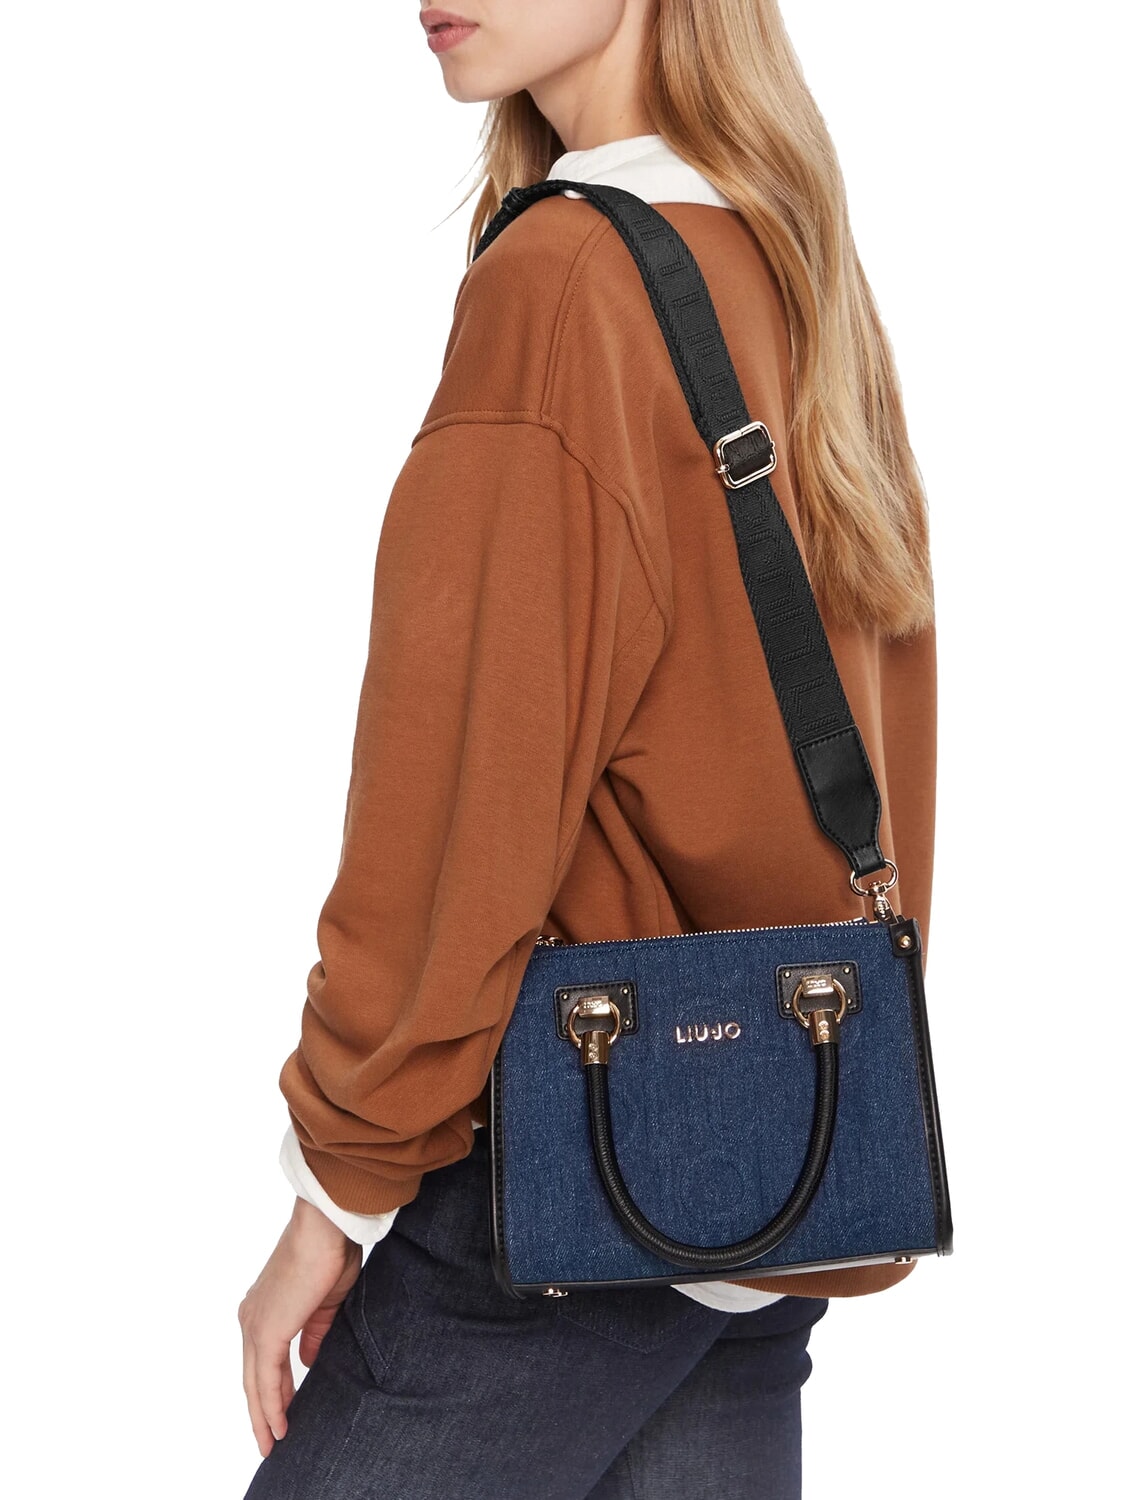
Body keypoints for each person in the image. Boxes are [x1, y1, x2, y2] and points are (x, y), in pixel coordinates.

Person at [238, 2, 937, 1495]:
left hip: (569, 1167)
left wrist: (338, 1184)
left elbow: (457, 792)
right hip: (787, 1151)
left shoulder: (562, 279)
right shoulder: (785, 251)